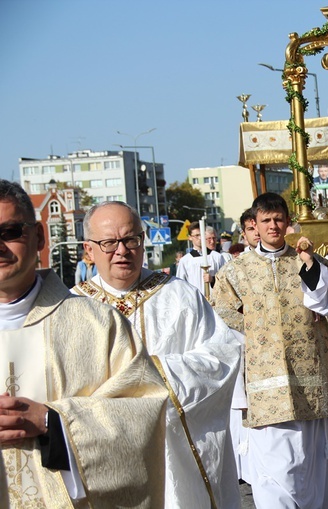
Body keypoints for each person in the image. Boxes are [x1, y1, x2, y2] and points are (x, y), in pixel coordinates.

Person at [0, 180, 167, 507]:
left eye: (10, 232)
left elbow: (143, 414)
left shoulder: (98, 324)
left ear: (39, 236)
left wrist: (52, 424)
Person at [72, 201, 243, 509]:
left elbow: (221, 357)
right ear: (89, 249)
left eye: (131, 239)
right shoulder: (72, 309)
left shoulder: (179, 296)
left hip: (169, 451)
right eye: (109, 242)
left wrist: (151, 374)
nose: (122, 250)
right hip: (102, 453)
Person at [212, 192, 328, 509]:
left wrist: (309, 265)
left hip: (310, 374)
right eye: (266, 220)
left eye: (278, 219)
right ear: (255, 224)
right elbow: (220, 312)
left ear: (288, 223)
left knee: (312, 459)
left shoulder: (310, 261)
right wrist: (255, 328)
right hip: (265, 378)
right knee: (273, 465)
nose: (273, 226)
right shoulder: (237, 269)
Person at [176, 221, 225, 295]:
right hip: (195, 301)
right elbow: (180, 285)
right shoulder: (185, 261)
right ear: (190, 237)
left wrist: (212, 279)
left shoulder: (217, 257)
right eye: (197, 235)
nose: (200, 238)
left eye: (202, 234)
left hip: (215, 301)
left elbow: (225, 279)